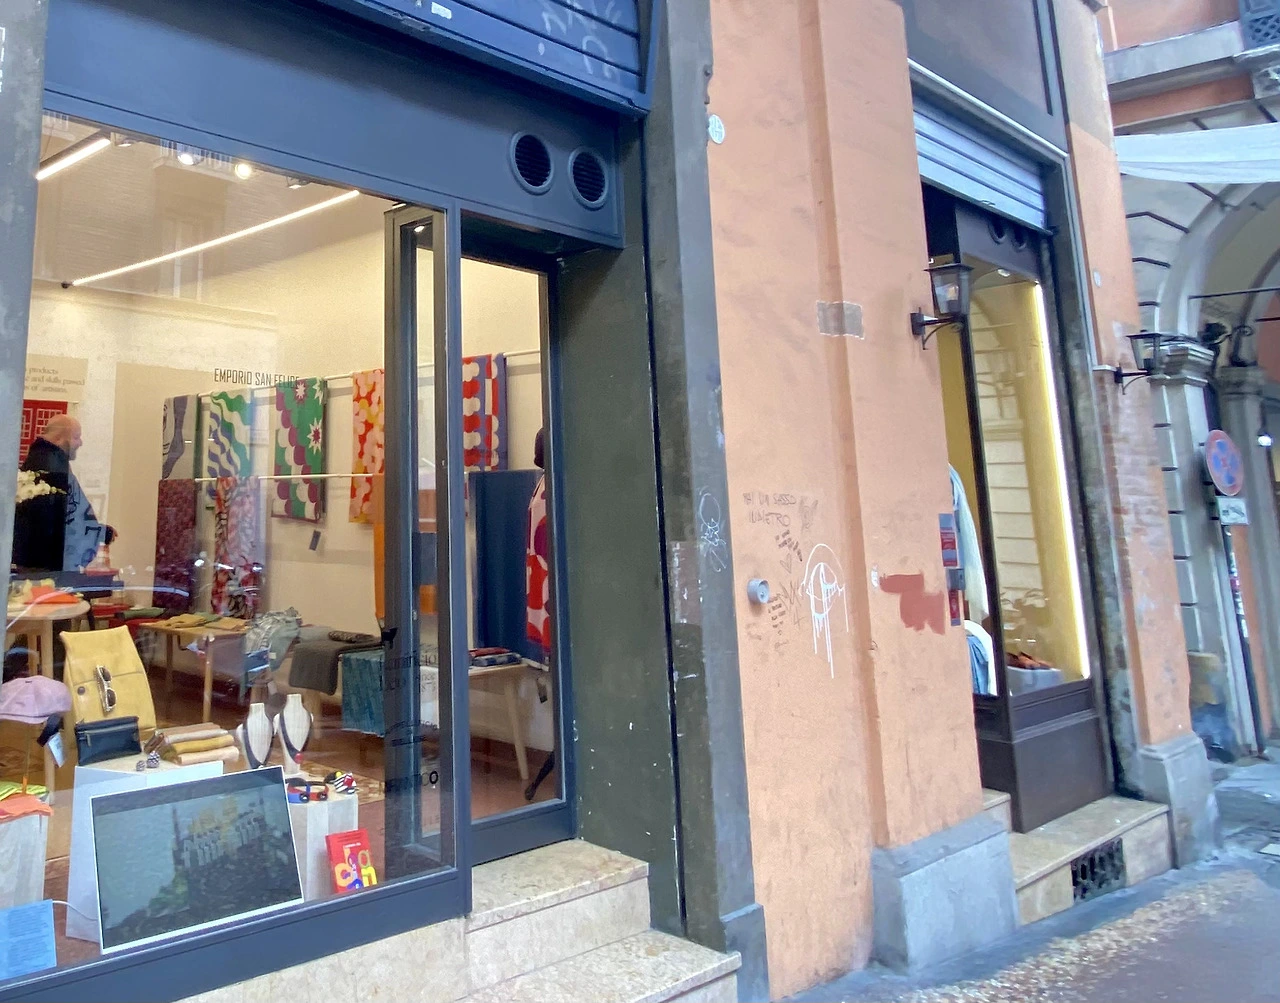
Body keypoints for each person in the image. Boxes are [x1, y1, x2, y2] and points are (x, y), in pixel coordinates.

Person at [13, 414, 116, 573]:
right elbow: (69, 518)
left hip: (24, 561)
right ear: (59, 439)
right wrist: (102, 533)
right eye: (76, 437)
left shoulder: (33, 463)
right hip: (48, 565)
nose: (80, 443)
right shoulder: (55, 469)